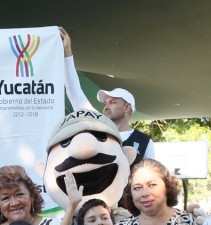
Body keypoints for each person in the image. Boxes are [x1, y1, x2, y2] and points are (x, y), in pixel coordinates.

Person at [60, 28, 154, 164]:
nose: (106, 106)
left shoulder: (145, 141)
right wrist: (67, 52)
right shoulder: (96, 125)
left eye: (113, 102)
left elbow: (151, 174)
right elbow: (74, 91)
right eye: (106, 103)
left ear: (127, 107)